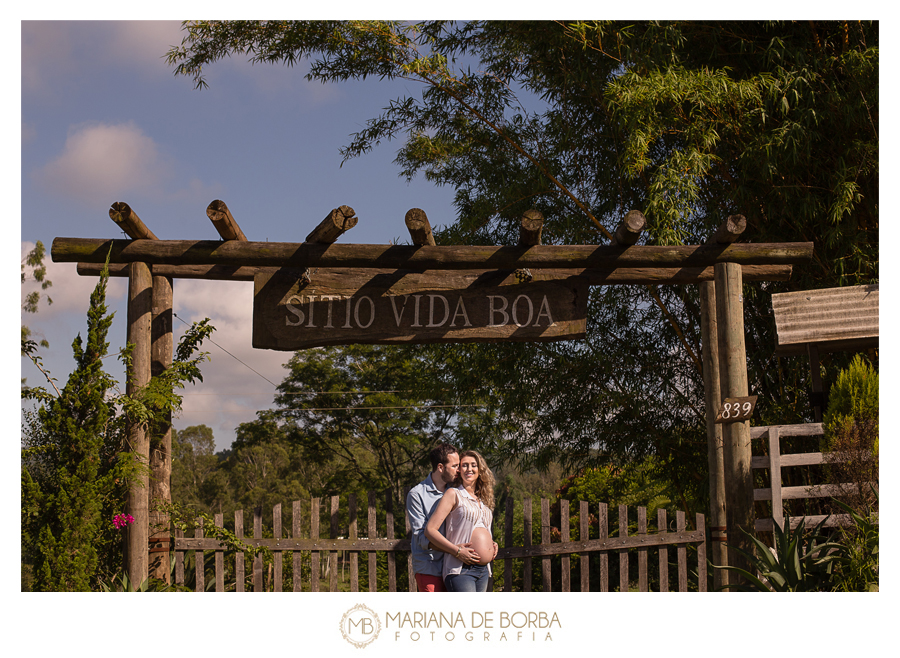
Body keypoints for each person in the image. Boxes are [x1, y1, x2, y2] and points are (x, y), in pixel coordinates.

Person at [425, 450, 497, 592]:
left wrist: (492, 544)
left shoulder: (483, 501)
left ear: (480, 470)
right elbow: (430, 530)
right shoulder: (454, 494)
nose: (469, 469)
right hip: (461, 569)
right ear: (459, 470)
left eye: (473, 465)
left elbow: (480, 529)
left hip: (483, 570)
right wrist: (457, 551)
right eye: (464, 465)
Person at [406, 442, 460, 592]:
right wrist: (454, 549)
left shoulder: (456, 491)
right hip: (429, 568)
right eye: (455, 466)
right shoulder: (417, 495)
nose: (459, 470)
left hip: (453, 566)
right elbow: (422, 538)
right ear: (440, 467)